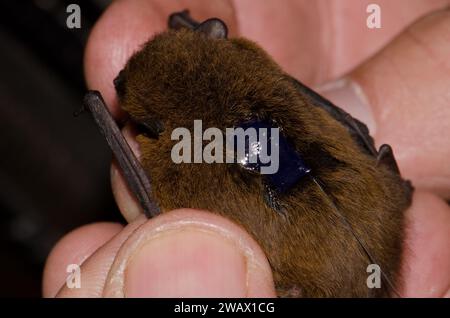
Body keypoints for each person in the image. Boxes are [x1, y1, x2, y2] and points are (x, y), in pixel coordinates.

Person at [43, 0, 450, 297]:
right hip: (379, 219)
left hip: (323, 279)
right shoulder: (253, 69)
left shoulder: (175, 161)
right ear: (214, 39)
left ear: (154, 126)